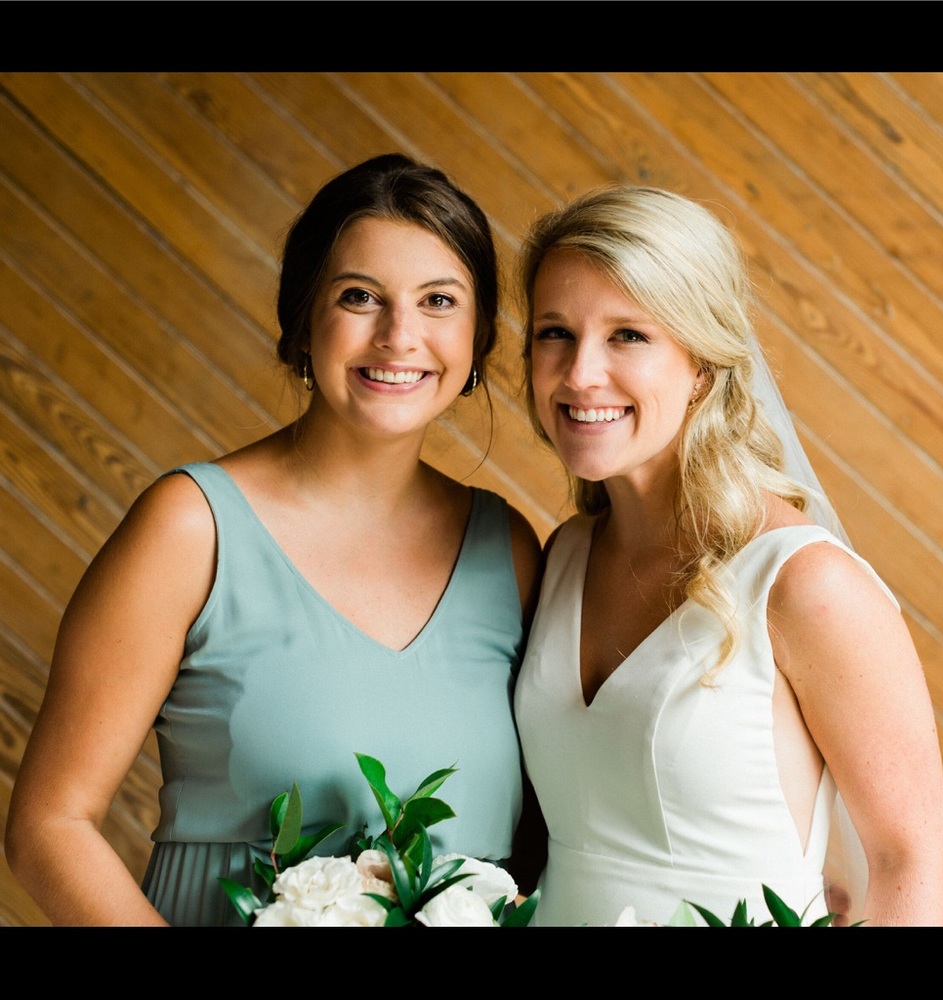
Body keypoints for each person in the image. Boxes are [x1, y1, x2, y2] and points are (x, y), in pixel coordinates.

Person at [6, 154, 542, 926]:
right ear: (301, 319)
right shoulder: (189, 529)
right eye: (360, 296)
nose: (400, 335)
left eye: (438, 301)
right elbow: (48, 828)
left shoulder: (509, 550)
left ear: (479, 337)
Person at [512, 185, 943, 926]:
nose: (580, 372)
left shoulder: (806, 585)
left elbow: (906, 861)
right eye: (555, 332)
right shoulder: (563, 556)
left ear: (704, 365)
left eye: (628, 335)